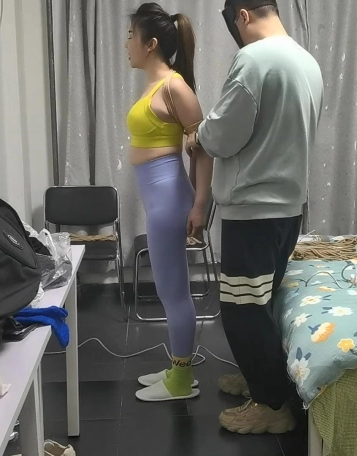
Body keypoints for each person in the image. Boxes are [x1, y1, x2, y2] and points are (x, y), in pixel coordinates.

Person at [186, 0, 324, 434]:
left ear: (242, 16)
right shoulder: (306, 61)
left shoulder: (254, 59)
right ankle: (260, 376)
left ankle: (271, 404)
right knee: (260, 302)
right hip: (287, 206)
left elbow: (224, 135)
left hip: (254, 209)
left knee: (242, 309)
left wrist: (198, 135)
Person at [125, 2, 213, 402]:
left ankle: (181, 381)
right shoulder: (155, 86)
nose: (127, 44)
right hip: (159, 199)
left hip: (170, 201)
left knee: (173, 292)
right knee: (169, 290)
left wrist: (199, 205)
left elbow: (203, 151)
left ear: (151, 44)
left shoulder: (175, 87)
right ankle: (178, 369)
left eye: (132, 36)